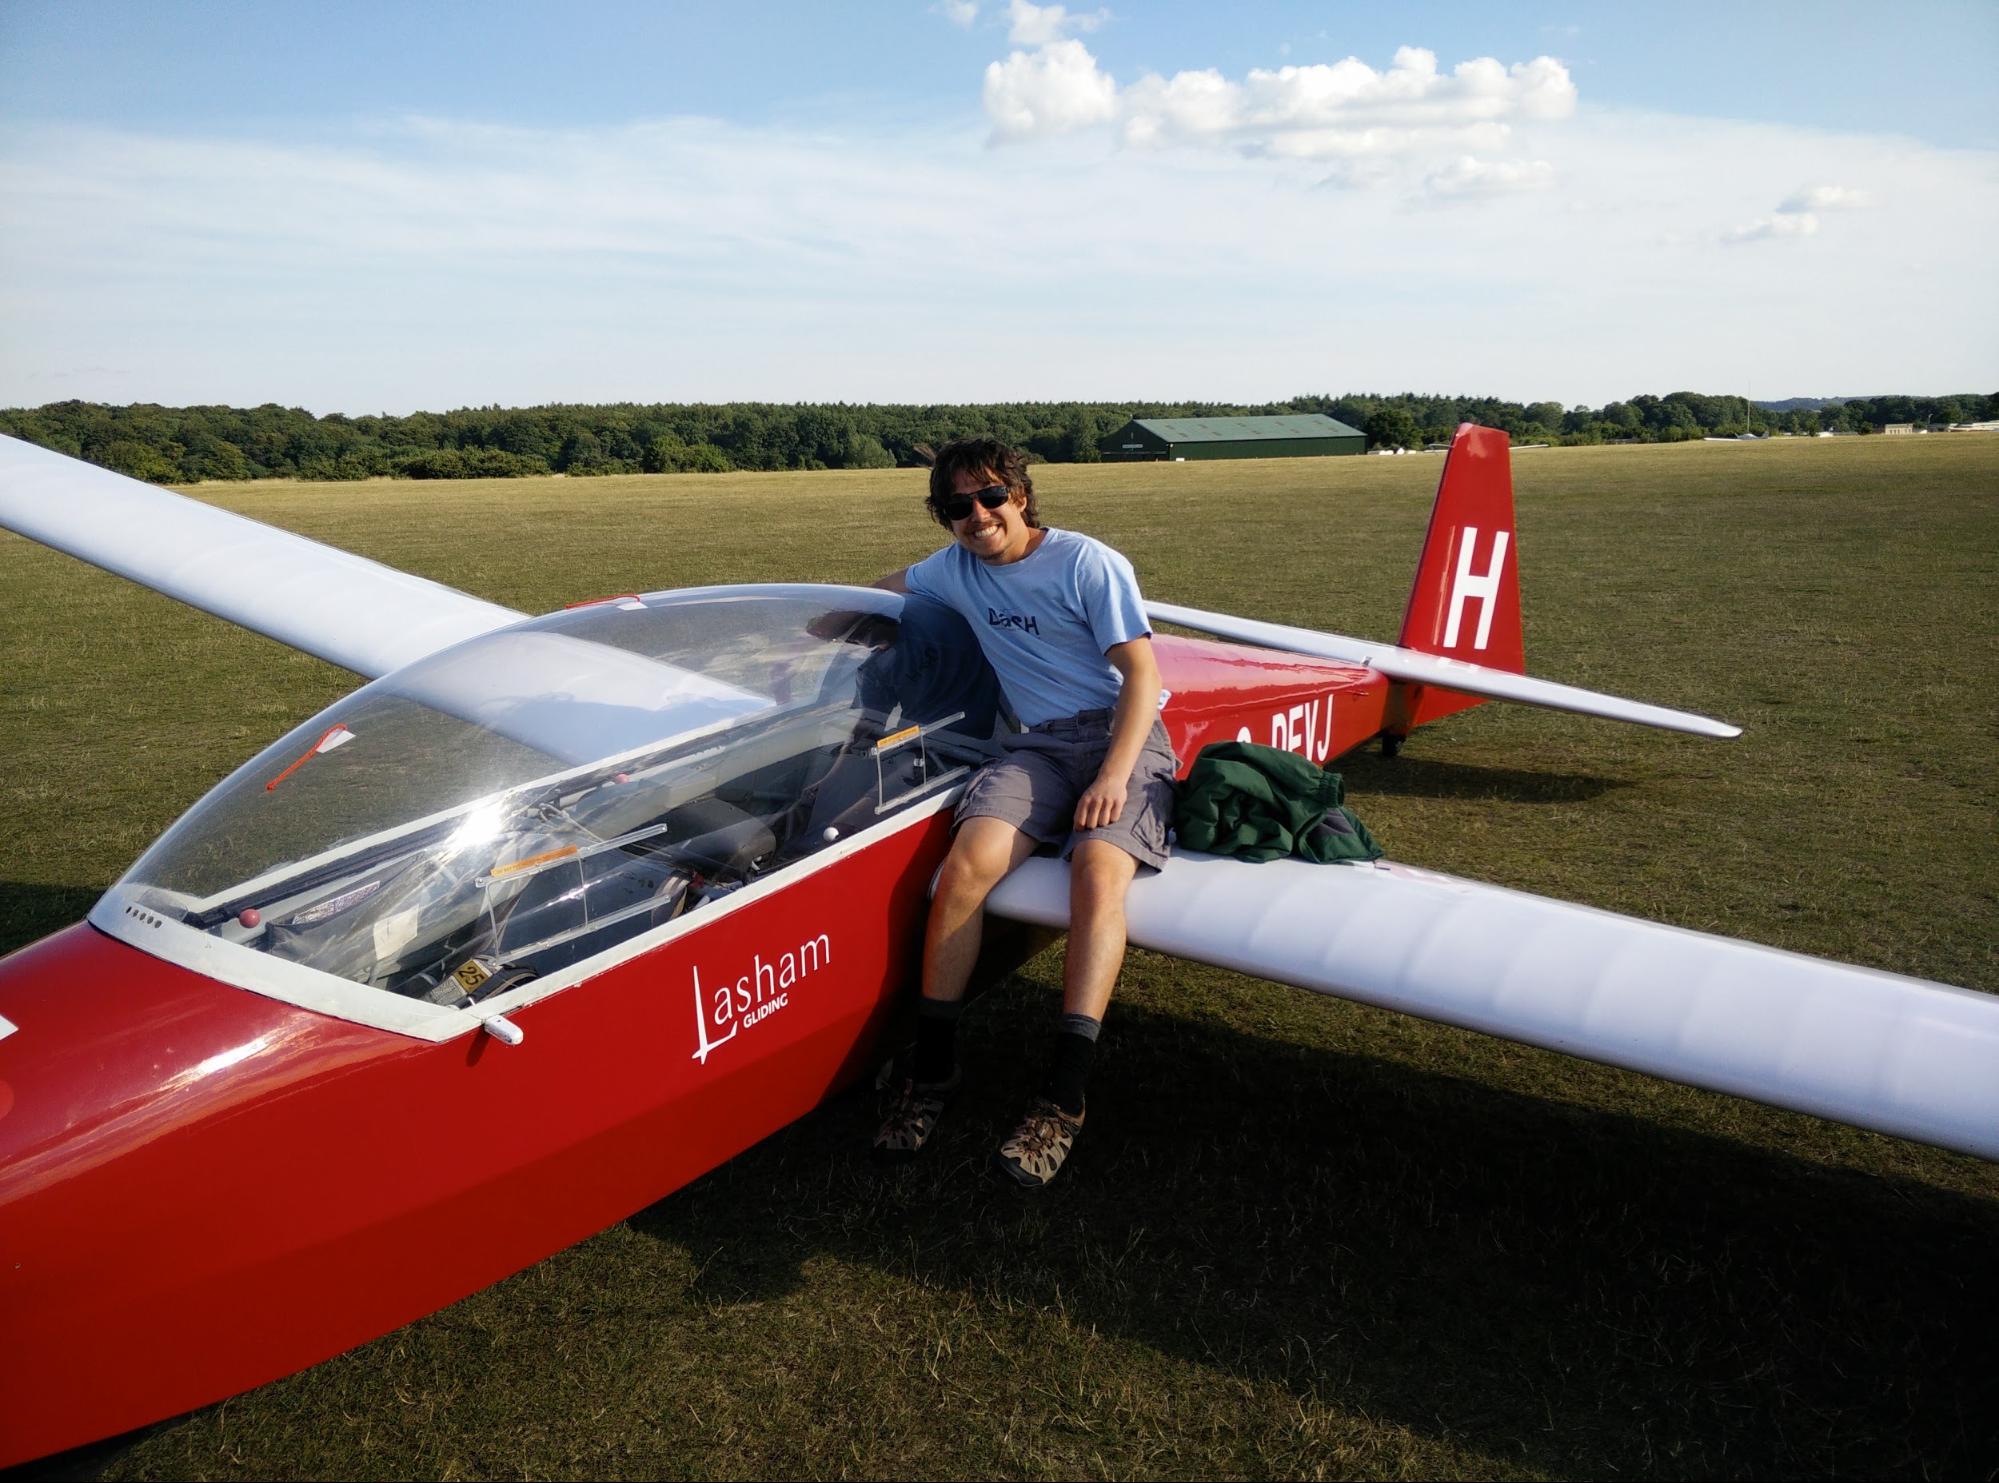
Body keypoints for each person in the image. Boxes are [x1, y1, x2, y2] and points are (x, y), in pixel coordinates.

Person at [873, 436, 1178, 1188]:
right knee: (966, 866)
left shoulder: (1086, 562)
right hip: (1037, 743)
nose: (977, 516)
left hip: (1121, 734)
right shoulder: (952, 567)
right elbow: (882, 590)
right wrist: (815, 626)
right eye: (957, 506)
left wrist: (1113, 775)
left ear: (1020, 494)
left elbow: (1142, 676)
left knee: (1097, 873)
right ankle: (934, 1071)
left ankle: (1064, 1095)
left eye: (990, 496)